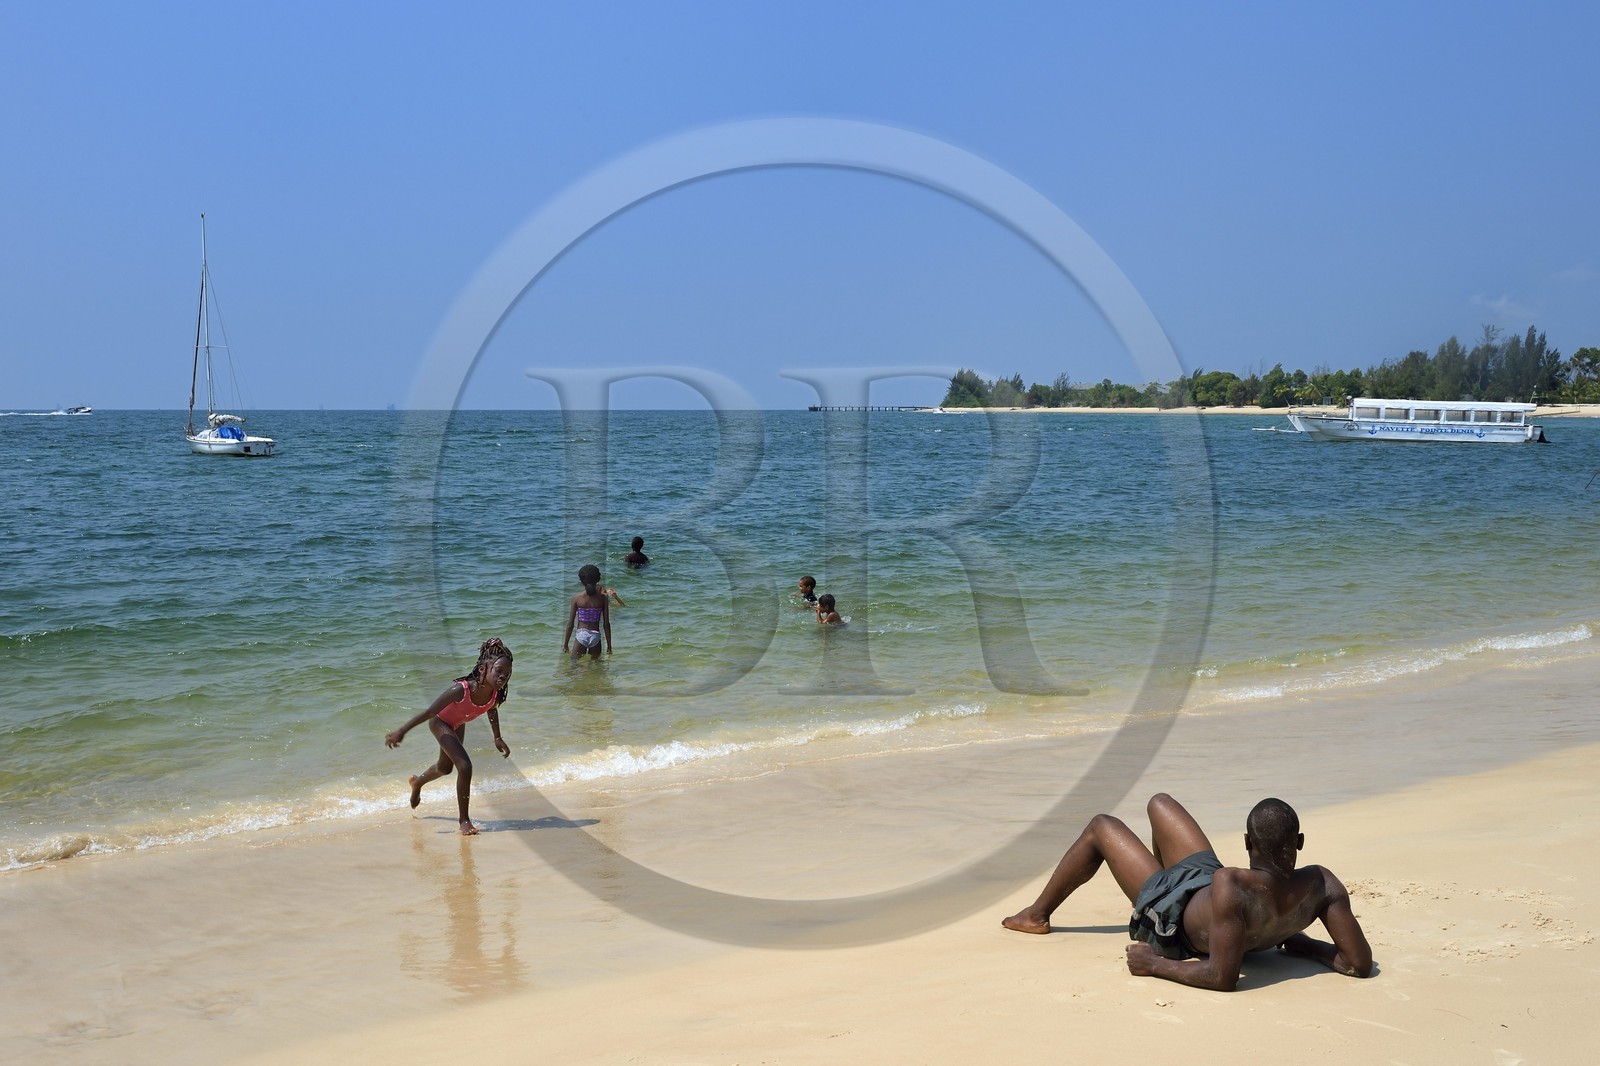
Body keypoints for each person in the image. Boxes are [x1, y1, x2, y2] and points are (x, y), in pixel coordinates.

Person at [1001, 793, 1372, 992]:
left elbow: (1221, 977)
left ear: (1247, 842)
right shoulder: (1322, 884)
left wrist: (1153, 964)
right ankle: (1154, 878)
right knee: (1159, 802)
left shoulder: (1233, 885)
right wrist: (1307, 945)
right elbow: (1358, 962)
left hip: (1173, 918)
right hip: (1209, 885)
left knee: (1102, 826)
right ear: (1300, 843)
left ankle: (1036, 915)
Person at [384, 638, 514, 836]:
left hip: (457, 724)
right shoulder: (461, 689)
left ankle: (417, 782)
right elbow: (430, 712)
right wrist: (402, 731)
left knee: (444, 768)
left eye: (507, 673)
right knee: (465, 766)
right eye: (499, 671)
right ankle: (464, 821)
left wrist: (497, 737)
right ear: (482, 669)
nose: (503, 676)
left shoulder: (494, 694)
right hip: (440, 723)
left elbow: (492, 710)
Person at [564, 563, 620, 660]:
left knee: (573, 664)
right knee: (596, 666)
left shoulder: (576, 598)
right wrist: (609, 646)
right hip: (596, 636)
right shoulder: (603, 598)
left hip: (581, 635)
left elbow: (570, 624)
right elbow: (606, 624)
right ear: (598, 579)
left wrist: (565, 645)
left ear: (581, 581)